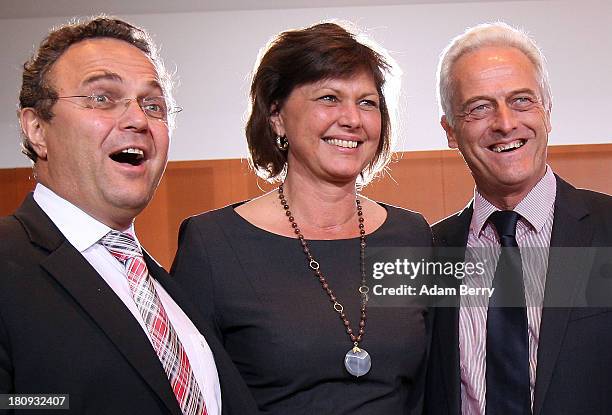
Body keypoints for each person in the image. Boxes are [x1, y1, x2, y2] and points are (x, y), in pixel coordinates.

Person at [0, 16, 257, 415]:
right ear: (36, 128)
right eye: (102, 97)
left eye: (153, 105)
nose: (138, 119)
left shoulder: (167, 288)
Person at [172, 22, 432, 414]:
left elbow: (432, 387)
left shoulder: (412, 235)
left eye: (367, 102)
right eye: (329, 98)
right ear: (276, 116)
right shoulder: (211, 243)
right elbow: (189, 394)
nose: (352, 119)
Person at [425, 22, 612, 415]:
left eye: (522, 100)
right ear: (450, 131)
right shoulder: (428, 251)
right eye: (479, 107)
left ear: (548, 111)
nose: (505, 123)